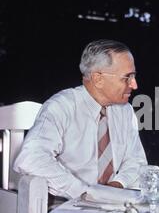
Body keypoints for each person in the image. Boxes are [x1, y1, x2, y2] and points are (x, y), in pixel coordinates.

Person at [13, 39, 147, 199]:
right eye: (127, 78)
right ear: (98, 79)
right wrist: (84, 193)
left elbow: (136, 161)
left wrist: (115, 186)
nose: (134, 85)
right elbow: (31, 159)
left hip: (111, 204)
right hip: (65, 204)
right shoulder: (61, 107)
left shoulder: (125, 111)